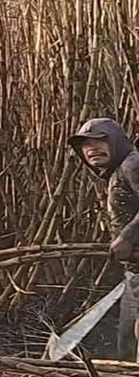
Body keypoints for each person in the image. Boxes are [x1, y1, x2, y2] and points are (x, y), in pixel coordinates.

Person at [70, 117, 139, 360]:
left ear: (117, 142)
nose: (92, 149)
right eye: (85, 144)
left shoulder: (133, 164)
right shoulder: (118, 171)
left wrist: (127, 237)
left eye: (100, 141)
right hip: (134, 271)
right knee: (128, 342)